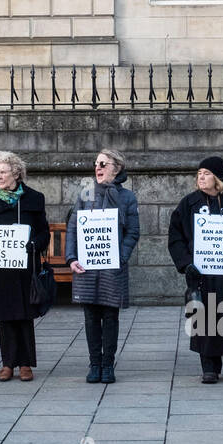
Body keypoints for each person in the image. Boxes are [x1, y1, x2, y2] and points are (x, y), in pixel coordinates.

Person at [167, 156, 223, 384]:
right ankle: (210, 366)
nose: (201, 177)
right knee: (205, 319)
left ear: (217, 179)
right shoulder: (188, 204)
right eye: (199, 174)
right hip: (201, 275)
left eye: (206, 173)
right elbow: (175, 237)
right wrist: (186, 264)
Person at [66, 148, 140, 384]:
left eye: (103, 164)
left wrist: (122, 255)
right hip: (87, 267)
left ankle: (108, 364)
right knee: (90, 317)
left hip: (112, 267)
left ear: (116, 168)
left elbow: (133, 232)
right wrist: (71, 258)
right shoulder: (85, 194)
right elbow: (73, 229)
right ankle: (94, 363)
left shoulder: (127, 198)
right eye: (96, 163)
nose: (97, 167)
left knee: (110, 316)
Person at [0, 150, 49, 381]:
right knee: (5, 314)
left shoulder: (34, 198)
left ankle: (26, 364)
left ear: (16, 173)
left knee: (24, 314)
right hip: (1, 267)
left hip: (25, 266)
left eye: (3, 172)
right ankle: (7, 363)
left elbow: (43, 232)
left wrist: (34, 244)